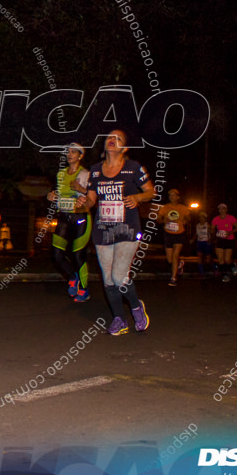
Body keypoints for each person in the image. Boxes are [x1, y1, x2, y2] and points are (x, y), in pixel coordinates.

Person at [83, 129, 155, 335]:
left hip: (127, 229)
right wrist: (83, 202)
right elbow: (91, 200)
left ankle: (136, 307)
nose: (112, 140)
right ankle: (119, 319)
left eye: (118, 138)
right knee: (107, 279)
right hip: (103, 231)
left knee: (118, 276)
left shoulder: (133, 168)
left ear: (124, 148)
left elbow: (151, 191)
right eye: (109, 138)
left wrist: (138, 198)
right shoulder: (95, 170)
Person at [47, 143, 92, 301]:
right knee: (56, 254)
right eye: (68, 152)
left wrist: (81, 190)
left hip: (80, 218)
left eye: (73, 152)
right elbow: (57, 193)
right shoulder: (61, 174)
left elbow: (92, 196)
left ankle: (85, 290)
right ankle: (73, 277)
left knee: (78, 255)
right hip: (64, 217)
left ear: (80, 156)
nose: (70, 154)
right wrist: (51, 196)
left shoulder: (85, 173)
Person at [158, 189, 192, 286]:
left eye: (174, 195)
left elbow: (189, 218)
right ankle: (179, 265)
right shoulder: (165, 208)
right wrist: (164, 220)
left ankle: (173, 278)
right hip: (168, 234)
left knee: (175, 256)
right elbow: (158, 219)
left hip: (179, 233)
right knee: (170, 259)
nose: (172, 197)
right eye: (170, 195)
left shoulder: (183, 208)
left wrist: (186, 221)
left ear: (178, 197)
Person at [211, 204, 237, 282]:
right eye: (220, 209)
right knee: (221, 260)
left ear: (226, 210)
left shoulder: (231, 218)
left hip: (229, 240)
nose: (221, 210)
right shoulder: (216, 219)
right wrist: (212, 231)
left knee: (227, 260)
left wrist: (231, 232)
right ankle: (225, 275)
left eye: (223, 208)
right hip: (219, 240)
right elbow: (212, 229)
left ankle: (232, 265)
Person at [194, 211, 212, 277]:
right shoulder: (197, 225)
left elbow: (211, 232)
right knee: (200, 257)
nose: (201, 219)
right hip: (200, 242)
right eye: (200, 217)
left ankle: (214, 267)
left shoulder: (207, 225)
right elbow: (196, 233)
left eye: (203, 217)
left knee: (208, 259)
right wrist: (193, 239)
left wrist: (210, 239)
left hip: (206, 242)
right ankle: (201, 272)